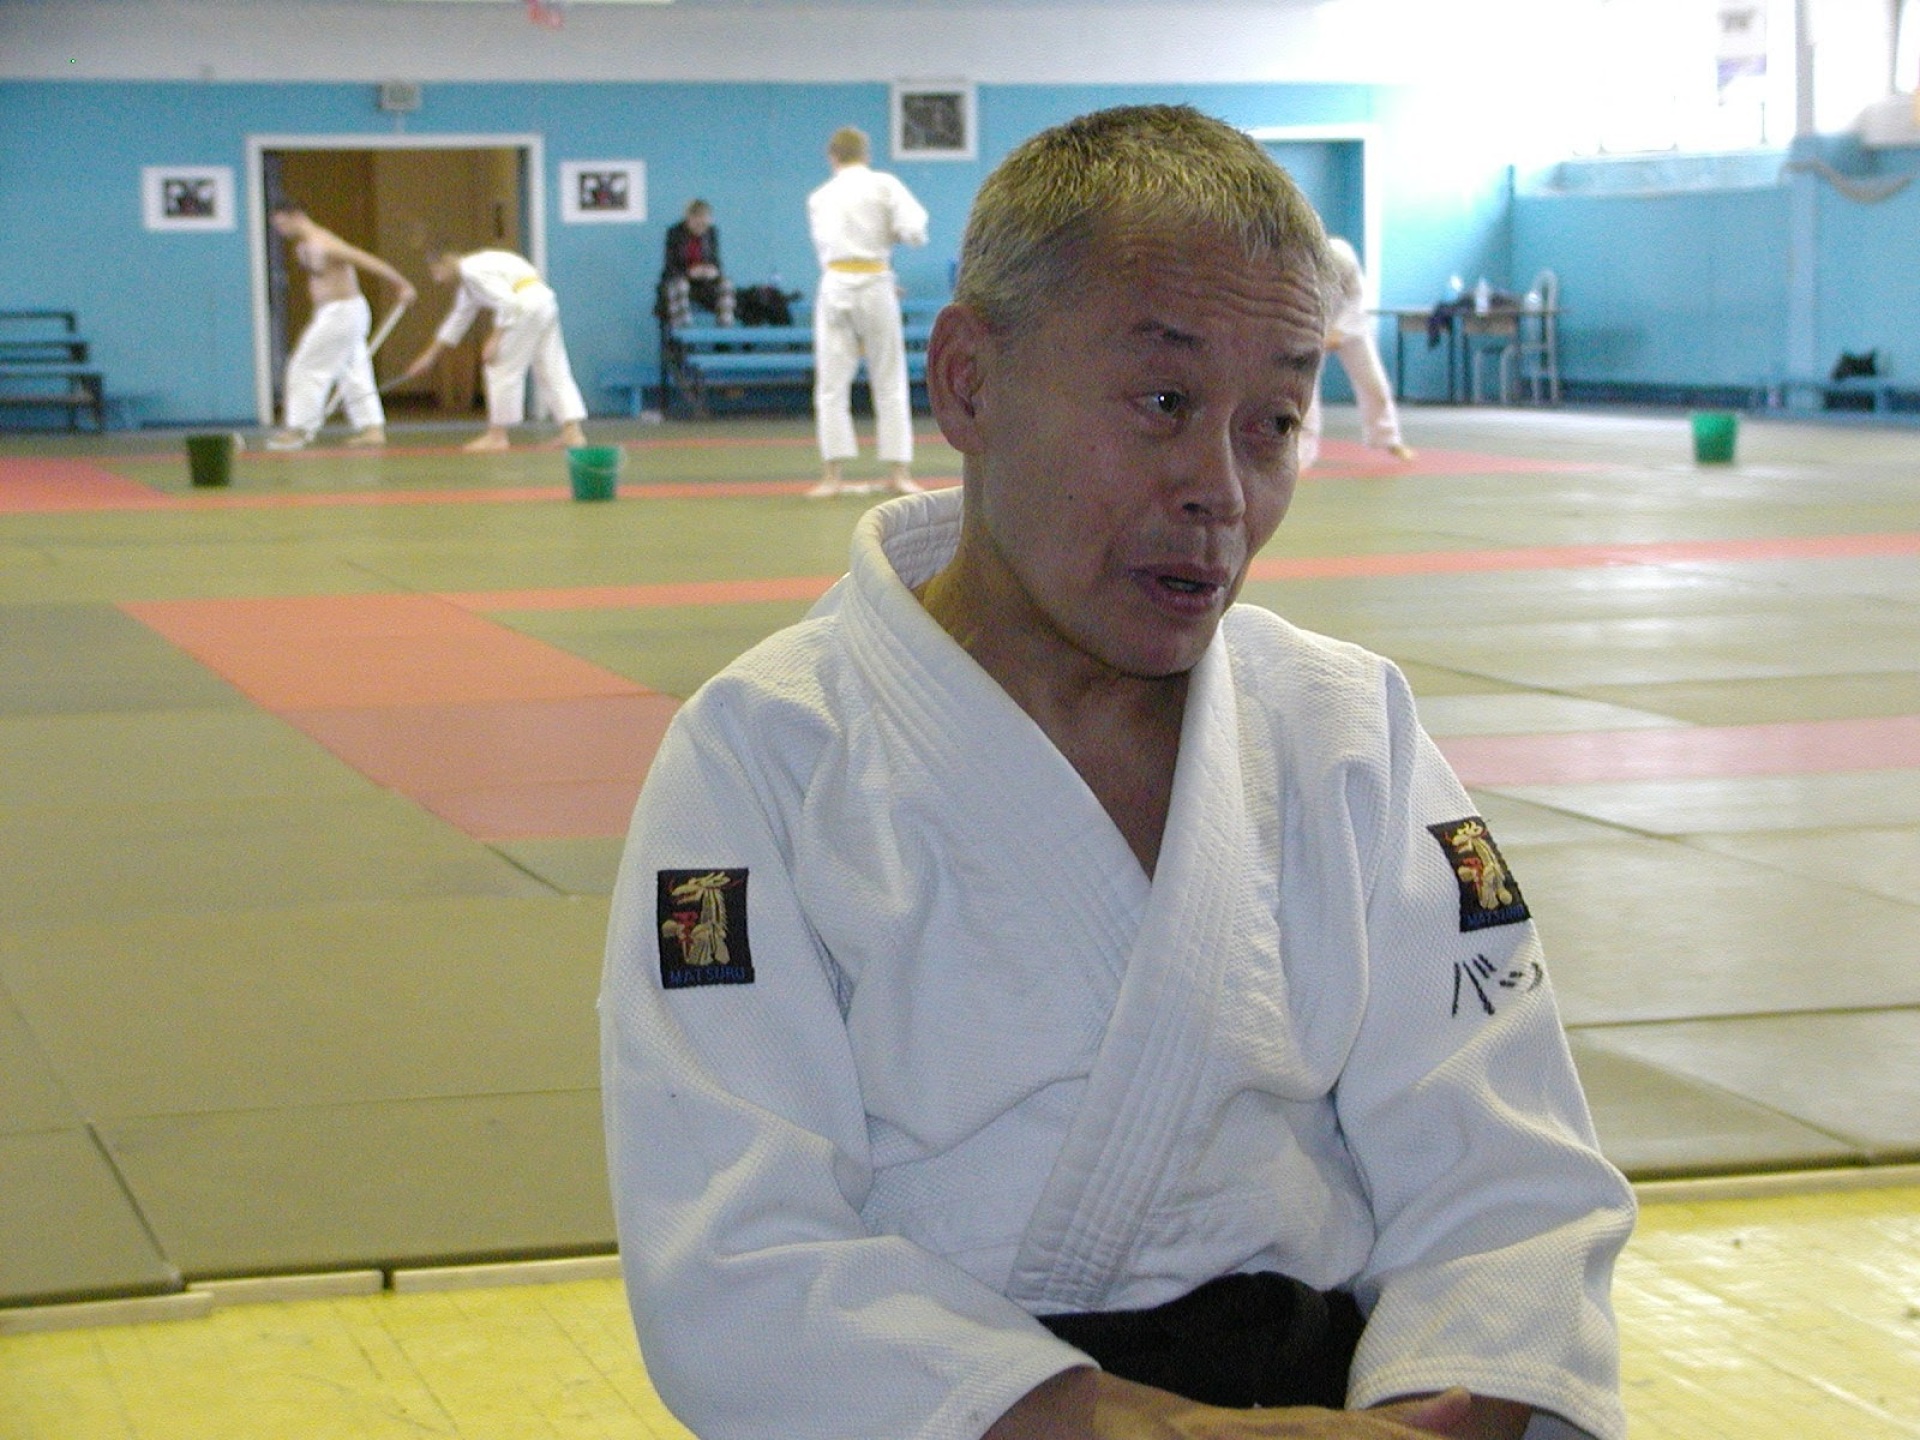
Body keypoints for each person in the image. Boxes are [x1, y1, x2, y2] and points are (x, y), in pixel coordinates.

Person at [601, 105, 1633, 1440]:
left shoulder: (1345, 734)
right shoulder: (762, 761)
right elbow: (739, 1259)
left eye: (1274, 421)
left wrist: (1437, 1420)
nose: (1221, 491)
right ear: (968, 383)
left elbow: (1510, 1185)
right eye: (1163, 402)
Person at [805, 124, 930, 498]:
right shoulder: (884, 185)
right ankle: (899, 473)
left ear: (832, 157)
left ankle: (832, 476)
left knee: (831, 384)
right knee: (889, 379)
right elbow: (915, 231)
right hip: (876, 282)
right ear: (867, 155)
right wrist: (891, 237)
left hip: (836, 284)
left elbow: (826, 247)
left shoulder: (819, 197)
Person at [398, 247, 587, 453]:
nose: (438, 279)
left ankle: (497, 436)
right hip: (543, 302)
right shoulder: (470, 282)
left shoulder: (472, 271)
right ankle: (572, 432)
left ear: (448, 260)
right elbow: (457, 320)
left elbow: (508, 301)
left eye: (437, 271)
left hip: (524, 304)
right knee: (552, 367)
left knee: (499, 365)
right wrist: (428, 357)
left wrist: (495, 338)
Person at [266, 200, 416, 450]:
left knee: (305, 366)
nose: (281, 230)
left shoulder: (323, 243)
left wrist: (401, 283)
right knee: (354, 371)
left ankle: (299, 429)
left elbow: (364, 259)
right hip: (333, 312)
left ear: (296, 216)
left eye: (282, 224)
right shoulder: (304, 246)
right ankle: (372, 429)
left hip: (342, 312)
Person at [1301, 235, 1415, 470]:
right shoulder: (1300, 264)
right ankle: (1302, 451)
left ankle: (1388, 437)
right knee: (1306, 388)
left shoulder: (1343, 257)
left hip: (1352, 325)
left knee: (1374, 382)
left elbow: (1357, 298)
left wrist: (1340, 331)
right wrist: (1318, 332)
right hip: (1314, 323)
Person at [657, 199, 736, 328]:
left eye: (704, 223)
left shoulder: (712, 233)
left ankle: (725, 327)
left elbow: (716, 262)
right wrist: (689, 272)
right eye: (697, 222)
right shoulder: (674, 233)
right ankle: (683, 329)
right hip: (680, 280)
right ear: (688, 219)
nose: (701, 227)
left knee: (726, 284)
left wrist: (713, 271)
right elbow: (670, 266)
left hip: (705, 284)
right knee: (680, 285)